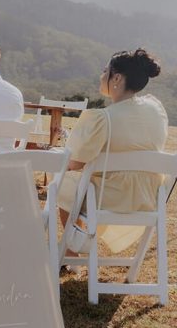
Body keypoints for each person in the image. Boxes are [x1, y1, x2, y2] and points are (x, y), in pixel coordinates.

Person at [57, 49, 167, 258]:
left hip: (110, 198)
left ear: (116, 78)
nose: (101, 75)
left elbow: (74, 162)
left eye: (105, 70)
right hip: (148, 198)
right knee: (80, 185)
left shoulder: (103, 118)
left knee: (65, 183)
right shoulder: (156, 111)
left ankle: (71, 251)